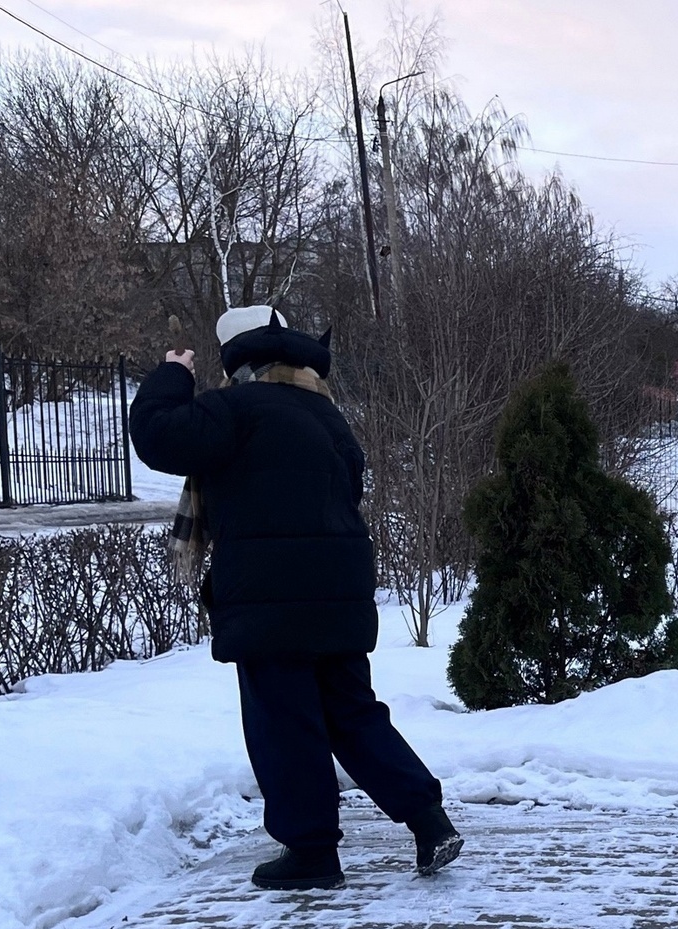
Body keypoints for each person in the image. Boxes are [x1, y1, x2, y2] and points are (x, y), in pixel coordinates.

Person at [129, 305, 463, 891]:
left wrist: (172, 376)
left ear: (241, 360)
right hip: (339, 587)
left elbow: (160, 438)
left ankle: (312, 853)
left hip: (267, 592)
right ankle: (429, 820)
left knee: (284, 721)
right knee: (352, 712)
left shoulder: (233, 410)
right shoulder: (327, 415)